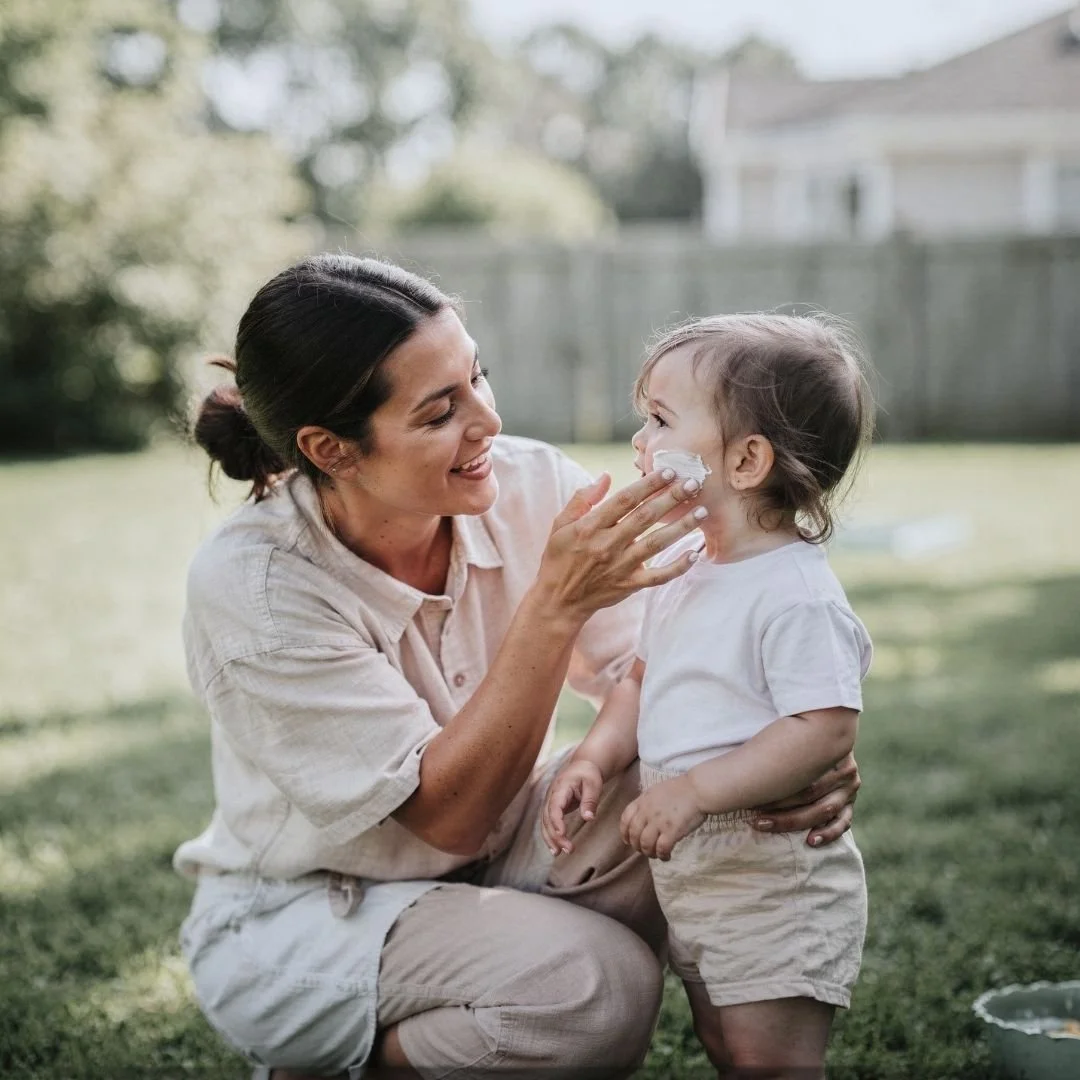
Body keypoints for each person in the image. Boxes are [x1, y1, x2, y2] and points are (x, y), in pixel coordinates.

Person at [176, 254, 863, 1080]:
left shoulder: (530, 482)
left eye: (479, 378)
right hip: (313, 911)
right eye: (439, 413)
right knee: (594, 993)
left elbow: (669, 676)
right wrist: (555, 606)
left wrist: (786, 752)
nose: (487, 425)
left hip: (503, 855)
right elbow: (447, 822)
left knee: (678, 766)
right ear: (334, 450)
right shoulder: (254, 587)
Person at [542, 313, 874, 1079]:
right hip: (693, 863)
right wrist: (596, 755)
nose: (640, 440)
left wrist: (695, 790)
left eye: (659, 420)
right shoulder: (690, 563)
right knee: (725, 1044)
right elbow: (642, 677)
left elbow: (823, 729)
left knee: (771, 1060)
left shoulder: (794, 594)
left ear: (747, 459)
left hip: (765, 869)